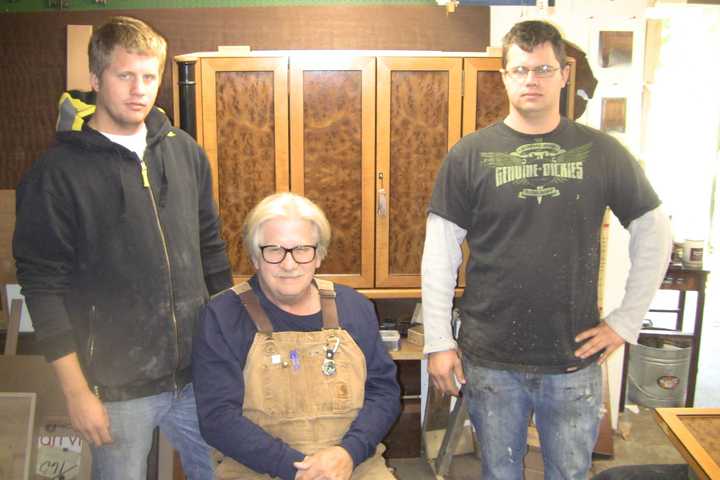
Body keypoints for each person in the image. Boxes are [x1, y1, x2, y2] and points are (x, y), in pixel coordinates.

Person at [421, 20, 672, 480]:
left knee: (570, 473)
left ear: (563, 73)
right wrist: (439, 341)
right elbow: (439, 253)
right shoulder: (469, 155)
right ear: (504, 76)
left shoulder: (602, 152)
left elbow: (654, 231)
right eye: (519, 70)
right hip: (490, 357)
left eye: (542, 69)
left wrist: (624, 321)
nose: (530, 80)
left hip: (572, 358)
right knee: (499, 472)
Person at [13, 16, 232, 480]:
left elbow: (211, 250)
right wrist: (76, 392)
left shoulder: (184, 151)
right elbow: (42, 287)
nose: (139, 89)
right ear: (96, 79)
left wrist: (227, 347)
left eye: (149, 76)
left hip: (198, 375)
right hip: (115, 387)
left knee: (228, 474)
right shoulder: (56, 173)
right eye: (124, 75)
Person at [193, 192, 400, 480]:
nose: (289, 264)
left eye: (302, 249)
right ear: (255, 257)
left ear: (319, 255)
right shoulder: (223, 315)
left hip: (351, 464)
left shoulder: (354, 307)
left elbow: (384, 393)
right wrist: (301, 470)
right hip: (255, 467)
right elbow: (217, 417)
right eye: (274, 250)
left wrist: (348, 453)